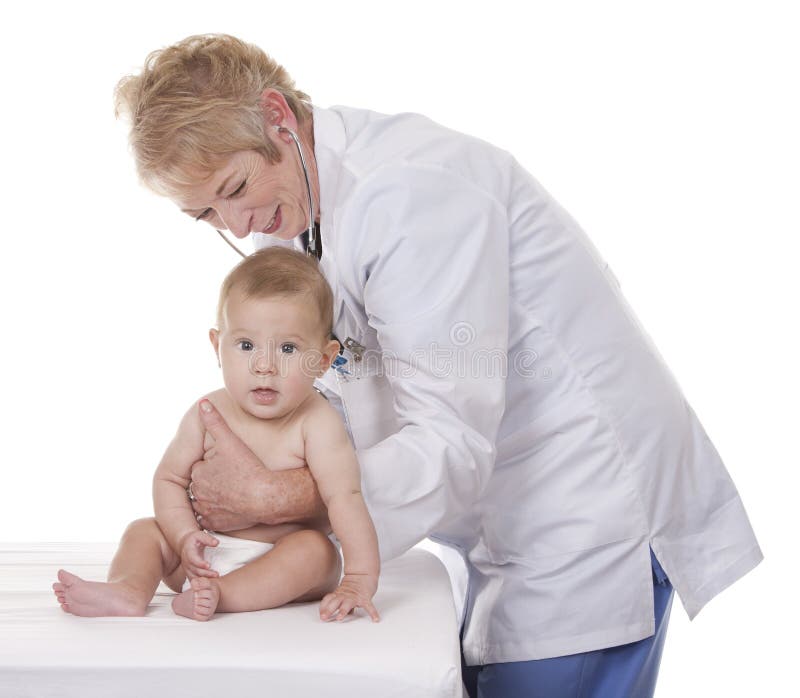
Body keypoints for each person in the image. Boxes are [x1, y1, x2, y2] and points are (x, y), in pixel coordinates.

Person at [111, 34, 762, 695]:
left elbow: (450, 433)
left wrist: (288, 496)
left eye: (235, 187)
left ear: (278, 117)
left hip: (582, 514)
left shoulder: (410, 196)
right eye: (208, 214)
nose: (241, 224)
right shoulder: (300, 218)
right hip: (500, 526)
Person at [53, 247, 380, 623]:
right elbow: (169, 479)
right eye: (246, 345)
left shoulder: (317, 422)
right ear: (217, 346)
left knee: (317, 552)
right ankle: (129, 589)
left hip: (277, 561)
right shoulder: (207, 411)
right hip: (202, 557)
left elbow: (346, 499)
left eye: (287, 348)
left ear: (322, 359)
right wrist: (182, 537)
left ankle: (222, 596)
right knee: (144, 531)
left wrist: (358, 577)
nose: (264, 366)